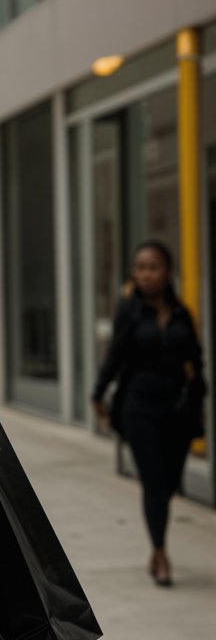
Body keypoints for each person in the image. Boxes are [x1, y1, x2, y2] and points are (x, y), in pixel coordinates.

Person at [92, 240, 207, 587]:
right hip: (138, 406)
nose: (144, 274)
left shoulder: (183, 313)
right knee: (154, 481)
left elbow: (195, 363)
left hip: (177, 409)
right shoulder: (130, 311)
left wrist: (199, 405)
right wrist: (99, 394)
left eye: (152, 267)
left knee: (170, 482)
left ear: (167, 271)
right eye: (139, 268)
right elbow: (115, 356)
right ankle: (160, 552)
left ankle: (157, 541)